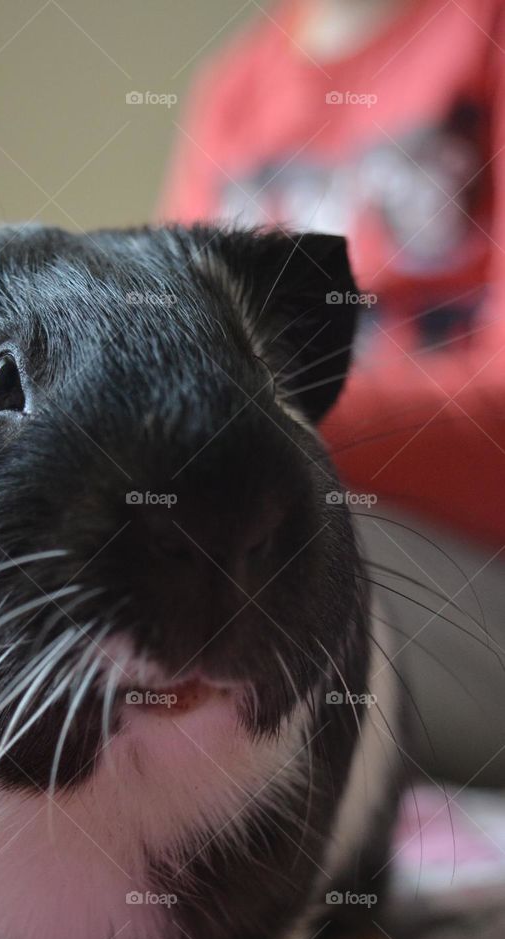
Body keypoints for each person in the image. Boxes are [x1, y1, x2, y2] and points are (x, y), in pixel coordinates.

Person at [161, 0, 505, 786]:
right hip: (280, 504)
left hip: (460, 577)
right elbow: (174, 336)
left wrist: (246, 424)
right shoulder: (238, 85)